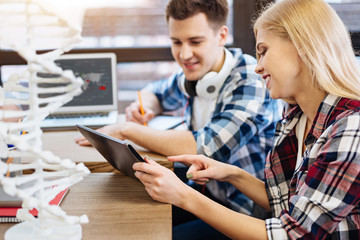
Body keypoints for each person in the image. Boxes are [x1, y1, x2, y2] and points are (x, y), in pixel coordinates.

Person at [132, 0, 360, 239]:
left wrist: (184, 196)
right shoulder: (296, 115)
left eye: (263, 52)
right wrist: (231, 173)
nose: (258, 67)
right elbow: (283, 201)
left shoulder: (350, 128)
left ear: (302, 46)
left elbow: (292, 234)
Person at [75, 0, 281, 238]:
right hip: (206, 191)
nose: (184, 54)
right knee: (128, 215)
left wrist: (127, 129)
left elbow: (205, 146)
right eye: (176, 42)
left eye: (195, 41)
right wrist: (147, 107)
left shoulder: (250, 79)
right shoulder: (195, 74)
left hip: (244, 213)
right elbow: (155, 92)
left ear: (221, 35)